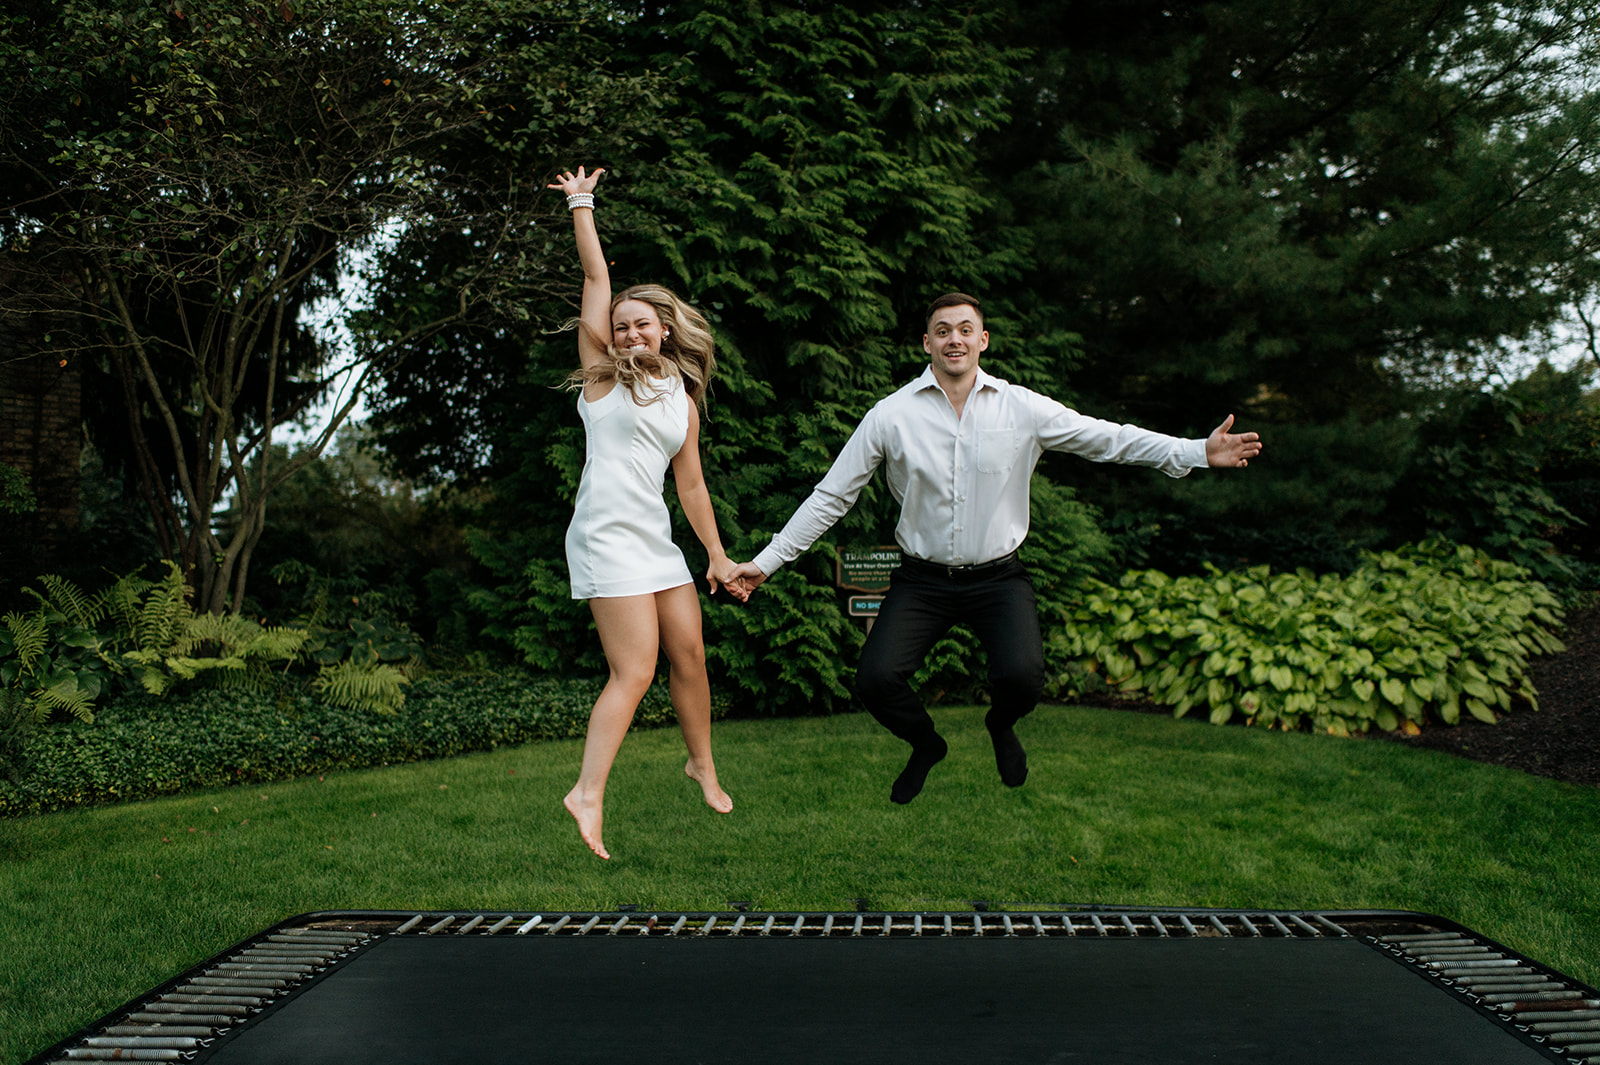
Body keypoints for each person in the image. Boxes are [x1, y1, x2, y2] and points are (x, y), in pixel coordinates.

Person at [729, 293, 1261, 804]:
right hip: (922, 581)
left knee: (1023, 678)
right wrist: (766, 563)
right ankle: (926, 745)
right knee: (875, 679)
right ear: (926, 344)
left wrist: (1195, 451)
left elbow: (1109, 439)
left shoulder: (1022, 408)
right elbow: (831, 498)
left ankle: (999, 724)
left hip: (997, 579)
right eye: (942, 332)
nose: (953, 340)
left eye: (964, 330)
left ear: (983, 340)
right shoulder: (890, 416)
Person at [547, 165, 743, 859]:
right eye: (620, 326)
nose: (629, 332)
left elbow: (689, 486)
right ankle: (587, 792)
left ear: (663, 332)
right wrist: (582, 205)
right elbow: (597, 282)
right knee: (634, 670)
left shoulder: (681, 401)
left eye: (641, 325)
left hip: (656, 543)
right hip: (606, 538)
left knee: (689, 653)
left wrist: (716, 555)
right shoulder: (601, 375)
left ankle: (702, 764)